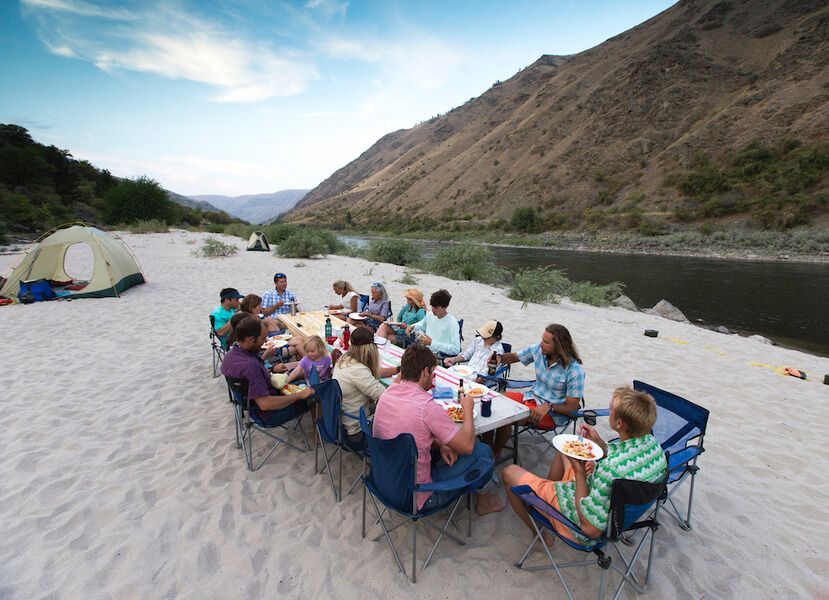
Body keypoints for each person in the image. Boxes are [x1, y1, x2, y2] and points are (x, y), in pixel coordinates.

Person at [502, 386, 667, 543]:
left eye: (610, 410)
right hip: (614, 511)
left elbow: (590, 530)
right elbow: (622, 460)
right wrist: (600, 445)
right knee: (567, 448)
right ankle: (546, 496)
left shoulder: (610, 468)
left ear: (619, 424)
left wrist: (579, 473)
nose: (608, 412)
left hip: (581, 526)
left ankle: (541, 531)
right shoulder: (654, 446)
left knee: (509, 472)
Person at [372, 344, 498, 513]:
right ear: (425, 372)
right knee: (483, 452)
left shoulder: (387, 394)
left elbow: (410, 434)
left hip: (384, 481)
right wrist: (467, 409)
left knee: (443, 448)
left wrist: (440, 444)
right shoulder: (427, 407)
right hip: (417, 497)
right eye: (432, 373)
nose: (433, 377)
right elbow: (467, 447)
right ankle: (484, 502)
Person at [220, 317, 315, 426]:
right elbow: (265, 404)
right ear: (251, 339)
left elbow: (252, 378)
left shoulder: (230, 356)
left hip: (249, 405)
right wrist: (300, 395)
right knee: (318, 391)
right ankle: (319, 437)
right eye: (263, 338)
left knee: (300, 376)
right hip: (268, 415)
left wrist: (271, 368)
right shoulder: (250, 366)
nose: (265, 341)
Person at [498, 323, 584, 428]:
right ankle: (487, 443)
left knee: (508, 415)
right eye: (542, 339)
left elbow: (572, 409)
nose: (541, 344)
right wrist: (499, 358)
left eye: (546, 342)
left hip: (553, 413)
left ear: (559, 346)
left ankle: (498, 444)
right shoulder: (538, 349)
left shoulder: (574, 371)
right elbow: (514, 357)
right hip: (531, 397)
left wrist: (550, 406)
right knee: (496, 400)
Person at [333, 326, 398, 443]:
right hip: (357, 431)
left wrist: (397, 370)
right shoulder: (358, 370)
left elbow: (373, 373)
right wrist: (400, 379)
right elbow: (385, 398)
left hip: (343, 420)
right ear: (370, 349)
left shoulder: (345, 359)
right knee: (400, 415)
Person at [405, 289, 461, 357]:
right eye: (432, 306)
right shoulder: (430, 315)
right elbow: (421, 325)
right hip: (424, 350)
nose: (433, 309)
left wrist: (431, 343)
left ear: (445, 307)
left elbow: (455, 349)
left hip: (438, 356)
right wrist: (411, 327)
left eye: (436, 307)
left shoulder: (452, 323)